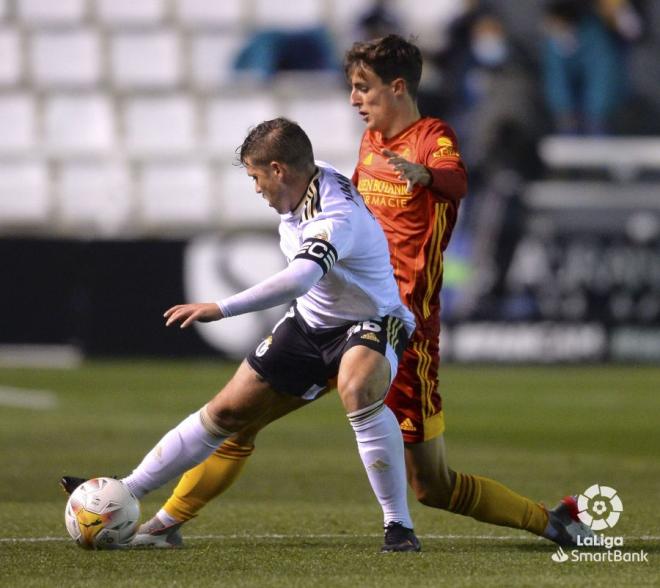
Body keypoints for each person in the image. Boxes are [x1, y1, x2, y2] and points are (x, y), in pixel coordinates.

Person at [104, 35, 592, 550]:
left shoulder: (432, 137)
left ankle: (551, 521)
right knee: (238, 421)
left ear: (397, 86)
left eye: (363, 88)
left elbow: (456, 182)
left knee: (434, 486)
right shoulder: (369, 146)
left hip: (402, 321)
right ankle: (160, 523)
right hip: (336, 314)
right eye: (351, 88)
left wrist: (423, 174)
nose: (354, 99)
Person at [62, 118, 421, 553]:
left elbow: (297, 280)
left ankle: (398, 528)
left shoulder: (335, 218)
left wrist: (221, 307)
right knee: (226, 415)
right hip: (311, 322)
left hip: (374, 320)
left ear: (278, 170)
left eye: (255, 176)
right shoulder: (310, 174)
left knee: (358, 388)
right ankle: (128, 491)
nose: (256, 188)